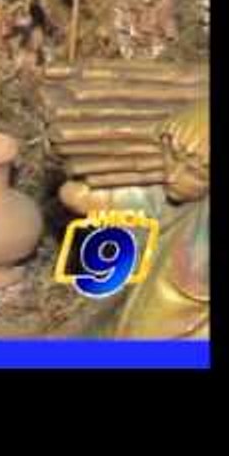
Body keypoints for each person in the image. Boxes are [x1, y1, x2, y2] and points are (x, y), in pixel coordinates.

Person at [59, 100, 209, 338]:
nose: (172, 176)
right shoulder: (174, 200)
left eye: (196, 173)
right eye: (171, 157)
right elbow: (76, 195)